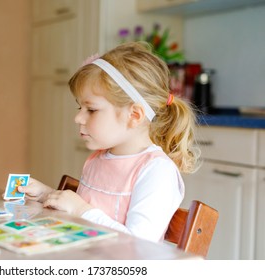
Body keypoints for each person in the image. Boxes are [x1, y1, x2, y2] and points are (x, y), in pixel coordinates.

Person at [16, 41, 200, 243]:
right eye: (80, 108)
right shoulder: (98, 159)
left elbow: (138, 244)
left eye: (91, 110)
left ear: (135, 115)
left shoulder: (156, 171)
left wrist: (79, 209)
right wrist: (48, 195)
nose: (78, 118)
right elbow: (88, 212)